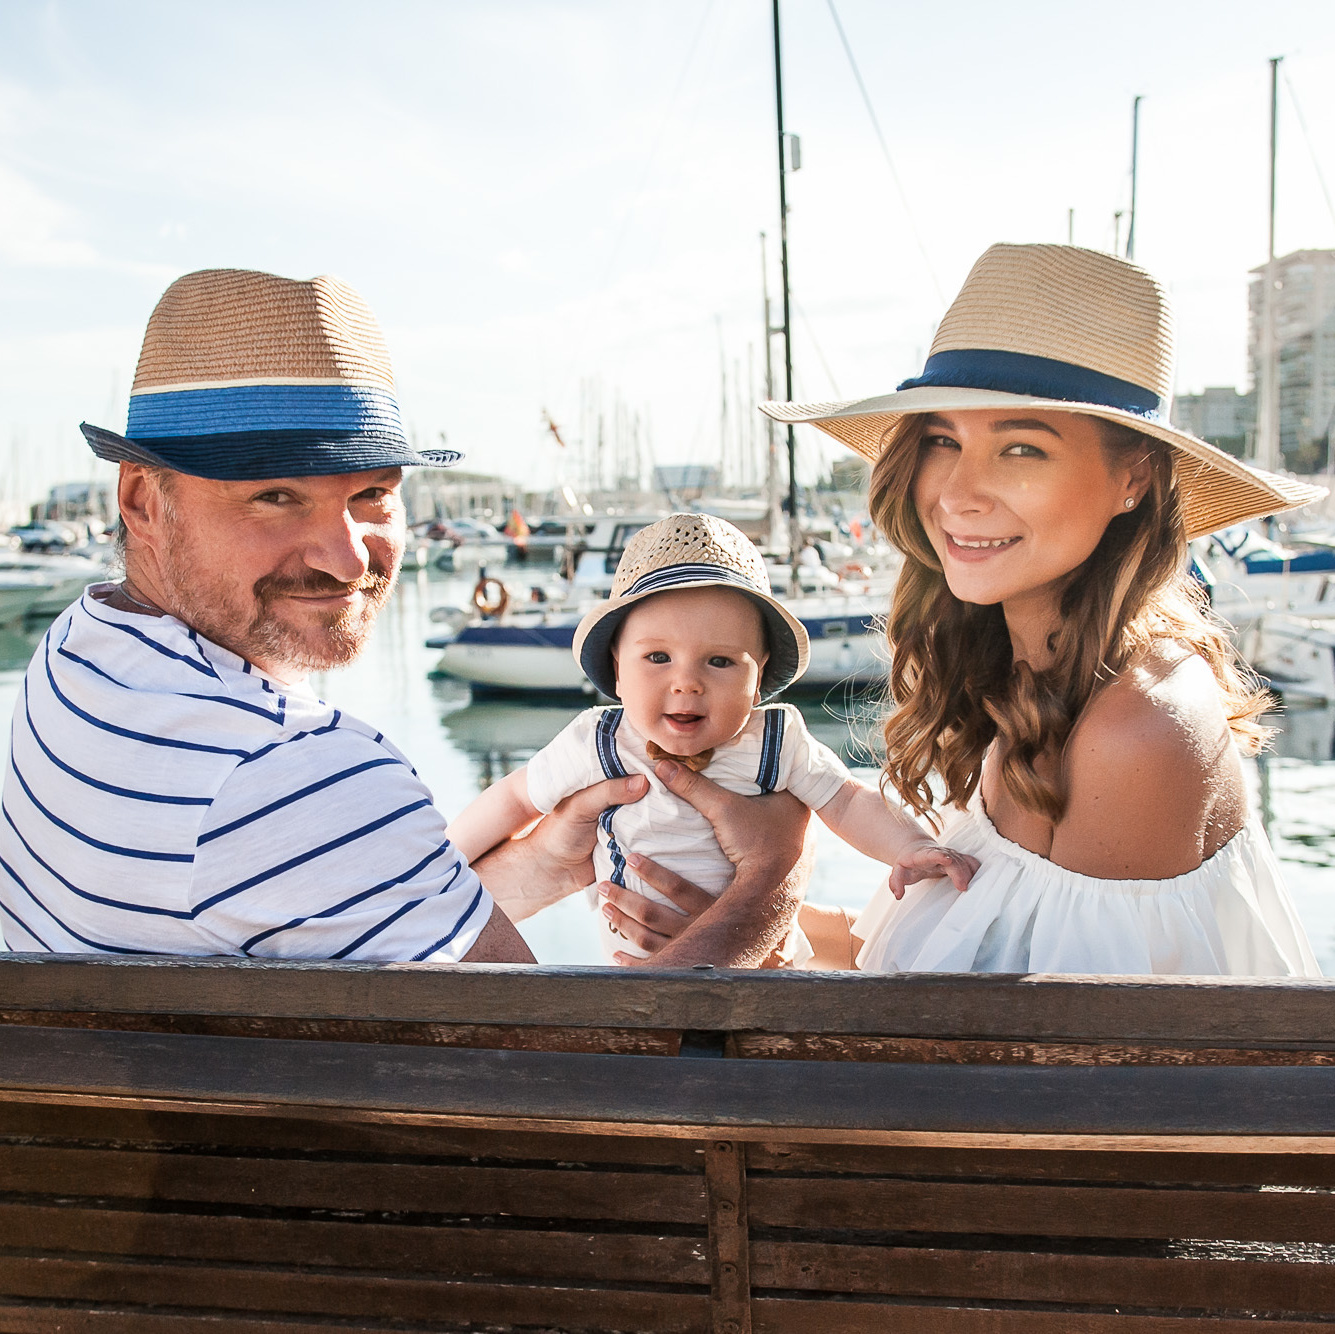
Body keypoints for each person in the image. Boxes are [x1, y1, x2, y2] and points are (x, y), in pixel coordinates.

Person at [0, 268, 807, 966]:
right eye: (275, 496)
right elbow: (583, 1082)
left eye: (370, 494)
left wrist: (544, 864)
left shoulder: (75, 655)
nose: (348, 559)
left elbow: (317, 913)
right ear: (144, 500)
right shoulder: (291, 773)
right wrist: (770, 882)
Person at [617, 243, 1324, 976]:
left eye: (1020, 449)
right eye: (941, 440)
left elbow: (1066, 1073)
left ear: (1134, 477)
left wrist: (772, 876)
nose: (957, 492)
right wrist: (749, 923)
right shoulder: (1039, 678)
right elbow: (953, 957)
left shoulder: (1133, 732)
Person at [448, 512, 978, 964]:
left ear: (760, 672)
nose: (687, 682)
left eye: (720, 661)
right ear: (616, 665)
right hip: (632, 963)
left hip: (758, 960)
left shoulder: (775, 740)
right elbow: (516, 798)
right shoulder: (598, 740)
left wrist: (909, 847)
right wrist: (443, 865)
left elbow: (847, 799)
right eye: (658, 658)